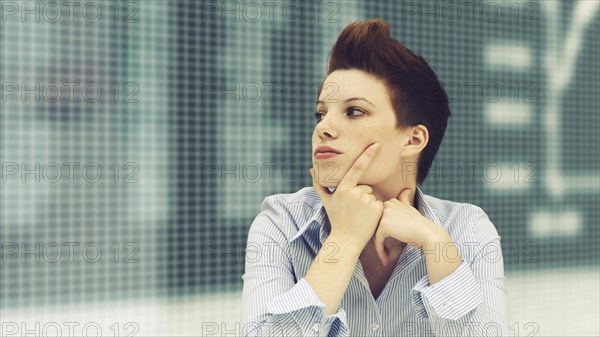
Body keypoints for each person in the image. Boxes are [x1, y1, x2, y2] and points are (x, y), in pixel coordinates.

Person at [241, 18, 508, 336]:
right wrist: (344, 240)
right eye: (321, 112)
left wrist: (436, 245)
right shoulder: (281, 223)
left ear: (413, 140)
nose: (322, 128)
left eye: (354, 111)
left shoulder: (466, 229)